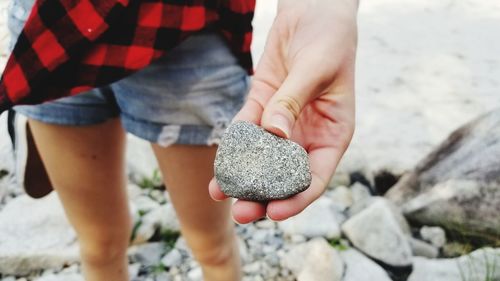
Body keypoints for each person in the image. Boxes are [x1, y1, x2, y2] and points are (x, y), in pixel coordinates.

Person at [1, 0, 358, 280]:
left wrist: (325, 6)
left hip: (184, 30)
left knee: (213, 247)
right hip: (51, 31)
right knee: (97, 247)